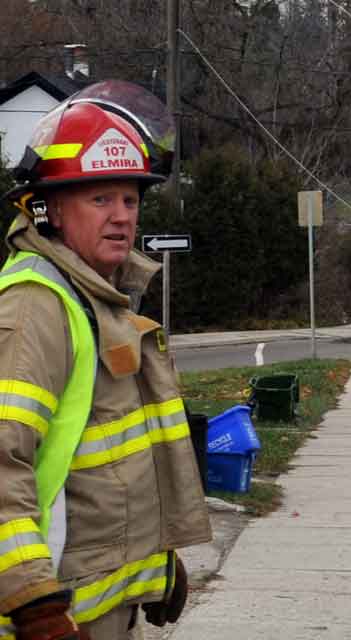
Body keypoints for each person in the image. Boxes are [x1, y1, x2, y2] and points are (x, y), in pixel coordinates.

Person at [0, 81, 211, 639]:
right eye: (100, 199)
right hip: (56, 619)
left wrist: (157, 567)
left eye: (130, 199)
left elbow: (115, 473)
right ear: (49, 212)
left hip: (106, 612)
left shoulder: (99, 299)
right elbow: (3, 463)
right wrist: (32, 603)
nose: (121, 217)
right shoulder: (35, 308)